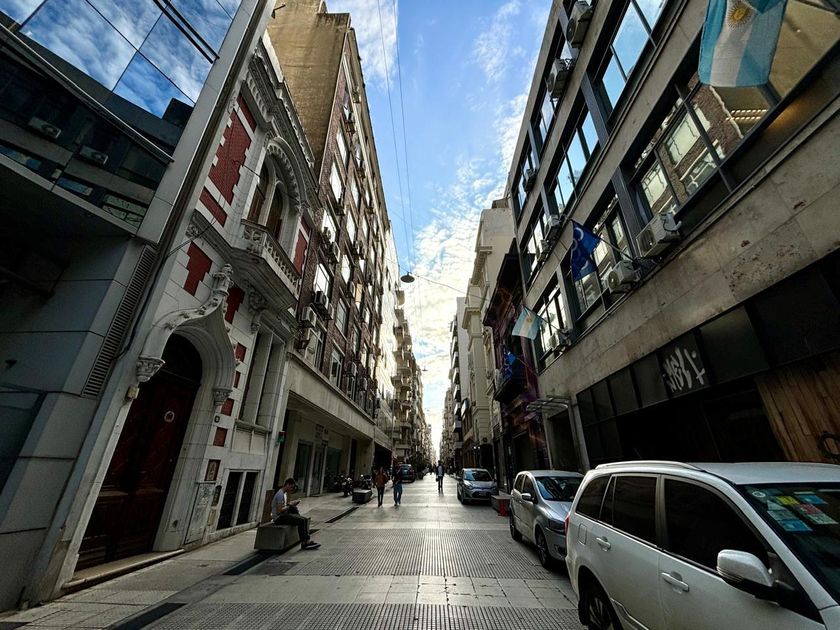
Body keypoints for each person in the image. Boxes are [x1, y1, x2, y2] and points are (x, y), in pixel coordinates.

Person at [271, 477, 320, 550]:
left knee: (304, 519)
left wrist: (291, 504)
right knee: (301, 521)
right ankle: (304, 542)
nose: (291, 489)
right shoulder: (280, 494)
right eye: (291, 487)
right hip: (279, 518)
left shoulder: (284, 494)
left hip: (283, 515)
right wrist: (290, 505)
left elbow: (284, 507)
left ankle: (307, 540)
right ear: (287, 485)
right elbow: (279, 511)